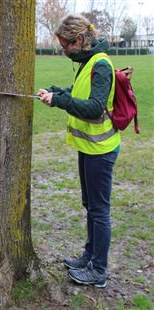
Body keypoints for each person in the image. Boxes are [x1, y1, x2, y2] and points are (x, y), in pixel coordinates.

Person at [37, 14, 120, 288]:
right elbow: (79, 93)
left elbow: (95, 107)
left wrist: (60, 101)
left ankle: (98, 269)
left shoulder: (101, 64)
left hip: (100, 149)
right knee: (91, 206)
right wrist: (57, 92)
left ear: (81, 40)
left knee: (99, 210)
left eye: (66, 46)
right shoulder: (87, 62)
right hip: (88, 147)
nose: (64, 51)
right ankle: (89, 256)